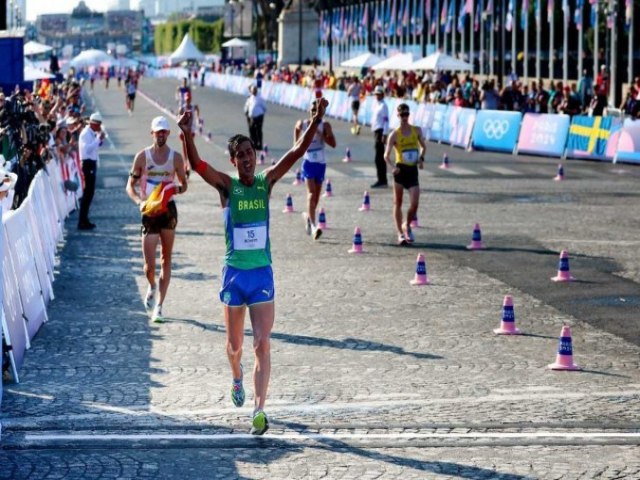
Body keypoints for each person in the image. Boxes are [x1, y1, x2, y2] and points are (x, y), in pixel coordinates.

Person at [177, 98, 330, 436]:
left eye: (250, 153)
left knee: (262, 343)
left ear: (254, 156)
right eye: (240, 156)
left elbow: (294, 153)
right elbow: (199, 164)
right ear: (233, 161)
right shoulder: (227, 187)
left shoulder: (265, 182)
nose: (247, 159)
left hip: (261, 273)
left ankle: (259, 410)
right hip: (234, 275)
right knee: (235, 348)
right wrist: (187, 134)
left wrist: (316, 120)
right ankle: (236, 376)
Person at [125, 116, 188, 323]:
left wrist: (173, 189)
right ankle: (152, 285)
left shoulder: (176, 158)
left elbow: (184, 185)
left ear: (168, 134)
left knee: (166, 259)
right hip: (149, 212)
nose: (160, 135)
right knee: (149, 266)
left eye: (164, 132)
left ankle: (159, 306)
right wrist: (139, 202)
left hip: (168, 211)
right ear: (151, 133)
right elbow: (130, 187)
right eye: (157, 132)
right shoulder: (142, 157)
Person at [383, 103, 426, 245]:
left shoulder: (417, 130)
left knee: (415, 203)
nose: (405, 117)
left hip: (412, 170)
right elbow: (386, 156)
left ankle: (406, 224)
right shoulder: (394, 135)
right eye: (402, 115)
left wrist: (421, 159)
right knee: (398, 202)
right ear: (398, 116)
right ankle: (400, 234)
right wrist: (392, 168)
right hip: (400, 170)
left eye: (406, 114)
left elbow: (423, 147)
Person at [294, 98, 336, 240]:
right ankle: (313, 226)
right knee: (311, 194)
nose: (314, 113)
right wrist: (296, 144)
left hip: (321, 163)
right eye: (312, 110)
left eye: (317, 110)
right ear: (309, 111)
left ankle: (308, 217)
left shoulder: (326, 125)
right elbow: (296, 129)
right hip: (308, 162)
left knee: (316, 197)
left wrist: (321, 135)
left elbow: (333, 144)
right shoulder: (304, 124)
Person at [77, 113, 105, 230]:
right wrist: (98, 139)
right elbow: (87, 149)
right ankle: (82, 220)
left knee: (90, 193)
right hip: (87, 163)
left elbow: (95, 147)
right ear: (94, 124)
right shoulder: (85, 134)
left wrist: (100, 140)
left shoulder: (91, 133)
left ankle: (85, 219)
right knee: (88, 193)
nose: (100, 128)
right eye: (99, 125)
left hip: (91, 163)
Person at [370, 85, 390, 188]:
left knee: (379, 157)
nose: (377, 96)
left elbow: (386, 121)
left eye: (378, 94)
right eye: (376, 94)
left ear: (382, 94)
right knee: (378, 157)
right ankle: (381, 179)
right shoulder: (377, 104)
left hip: (380, 132)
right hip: (376, 131)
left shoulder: (383, 106)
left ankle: (382, 180)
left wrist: (385, 134)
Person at [244, 84, 267, 151]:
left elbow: (264, 107)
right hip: (252, 117)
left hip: (259, 116)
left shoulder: (260, 98)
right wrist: (246, 112)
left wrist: (260, 113)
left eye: (254, 90)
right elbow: (247, 105)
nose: (253, 91)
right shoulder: (250, 98)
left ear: (256, 90)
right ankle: (254, 143)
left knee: (258, 130)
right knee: (252, 130)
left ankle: (259, 145)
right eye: (252, 90)